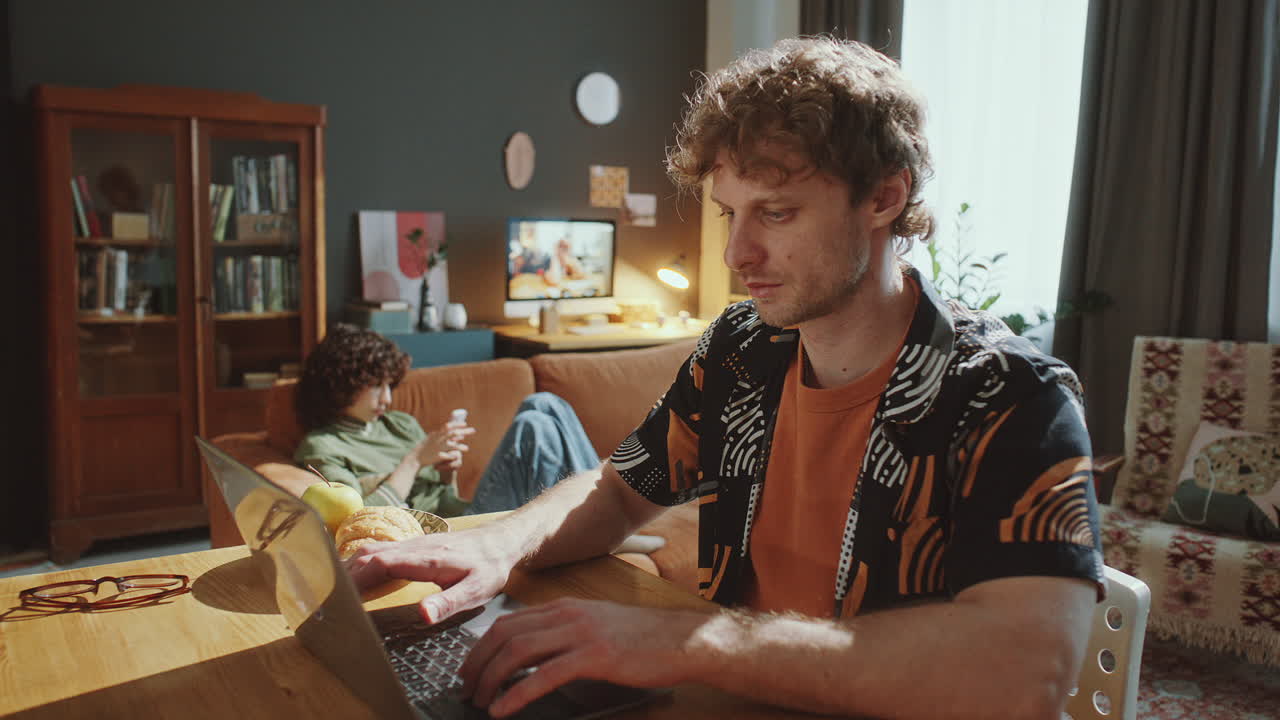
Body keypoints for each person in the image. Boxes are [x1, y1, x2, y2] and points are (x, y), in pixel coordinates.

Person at [347, 36, 1104, 720]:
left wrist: (691, 640)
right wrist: (498, 546)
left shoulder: (1011, 396)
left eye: (775, 213)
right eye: (727, 214)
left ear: (885, 197)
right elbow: (618, 490)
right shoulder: (744, 349)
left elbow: (1022, 675)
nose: (736, 256)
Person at [293, 324, 633, 519]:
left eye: (389, 385)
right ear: (342, 385)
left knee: (542, 404)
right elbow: (360, 519)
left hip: (463, 513)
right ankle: (604, 519)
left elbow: (443, 498)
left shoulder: (399, 423)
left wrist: (445, 471)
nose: (386, 398)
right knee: (534, 427)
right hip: (455, 532)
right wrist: (414, 461)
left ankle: (603, 515)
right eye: (375, 386)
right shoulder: (323, 445)